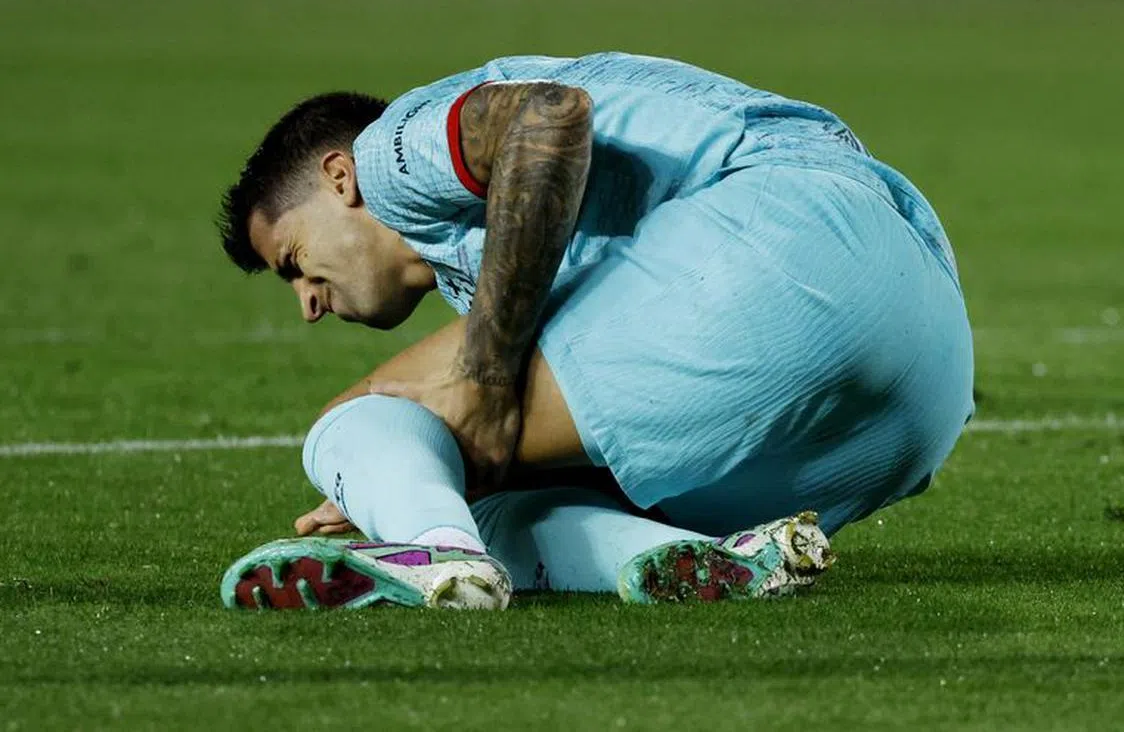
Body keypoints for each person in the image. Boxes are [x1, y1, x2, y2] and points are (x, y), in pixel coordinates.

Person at [215, 53, 972, 610]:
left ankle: (435, 547)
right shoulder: (487, 257)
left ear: (339, 179)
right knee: (487, 484)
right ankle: (689, 559)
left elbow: (548, 116)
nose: (306, 302)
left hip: (787, 242)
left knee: (354, 423)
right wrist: (415, 476)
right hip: (921, 377)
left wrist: (475, 384)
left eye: (293, 263)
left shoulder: (390, 156)